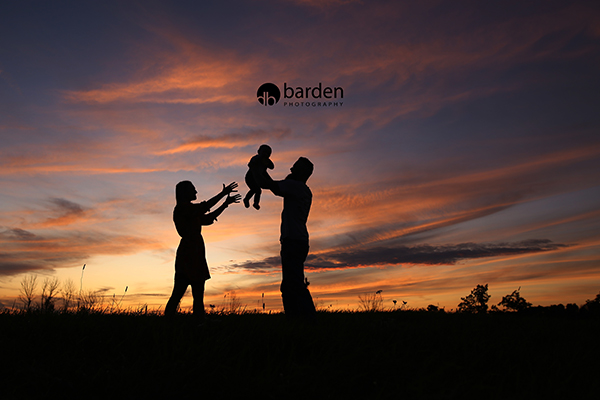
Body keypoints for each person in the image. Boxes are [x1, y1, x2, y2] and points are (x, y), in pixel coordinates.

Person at [165, 181, 241, 321]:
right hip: (188, 254)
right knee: (179, 293)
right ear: (184, 192)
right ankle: (171, 321)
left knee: (196, 293)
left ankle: (197, 321)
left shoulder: (190, 211)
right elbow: (204, 208)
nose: (196, 192)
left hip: (195, 252)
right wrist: (223, 194)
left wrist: (225, 204)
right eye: (193, 190)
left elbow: (207, 218)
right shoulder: (182, 208)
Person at [254, 157, 317, 319]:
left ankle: (308, 319)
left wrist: (257, 168)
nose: (290, 169)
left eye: (294, 167)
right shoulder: (304, 189)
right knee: (290, 284)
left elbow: (268, 185)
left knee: (294, 283)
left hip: (293, 241)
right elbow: (272, 184)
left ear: (301, 172)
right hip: (299, 240)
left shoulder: (295, 186)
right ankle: (296, 318)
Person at [243, 144, 274, 210]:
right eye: (264, 152)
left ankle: (255, 203)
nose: (265, 154)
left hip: (258, 178)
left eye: (268, 153)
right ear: (259, 152)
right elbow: (250, 164)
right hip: (250, 177)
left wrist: (266, 161)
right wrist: (258, 162)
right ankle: (247, 199)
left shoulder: (266, 161)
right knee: (255, 189)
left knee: (257, 190)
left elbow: (272, 166)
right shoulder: (256, 158)